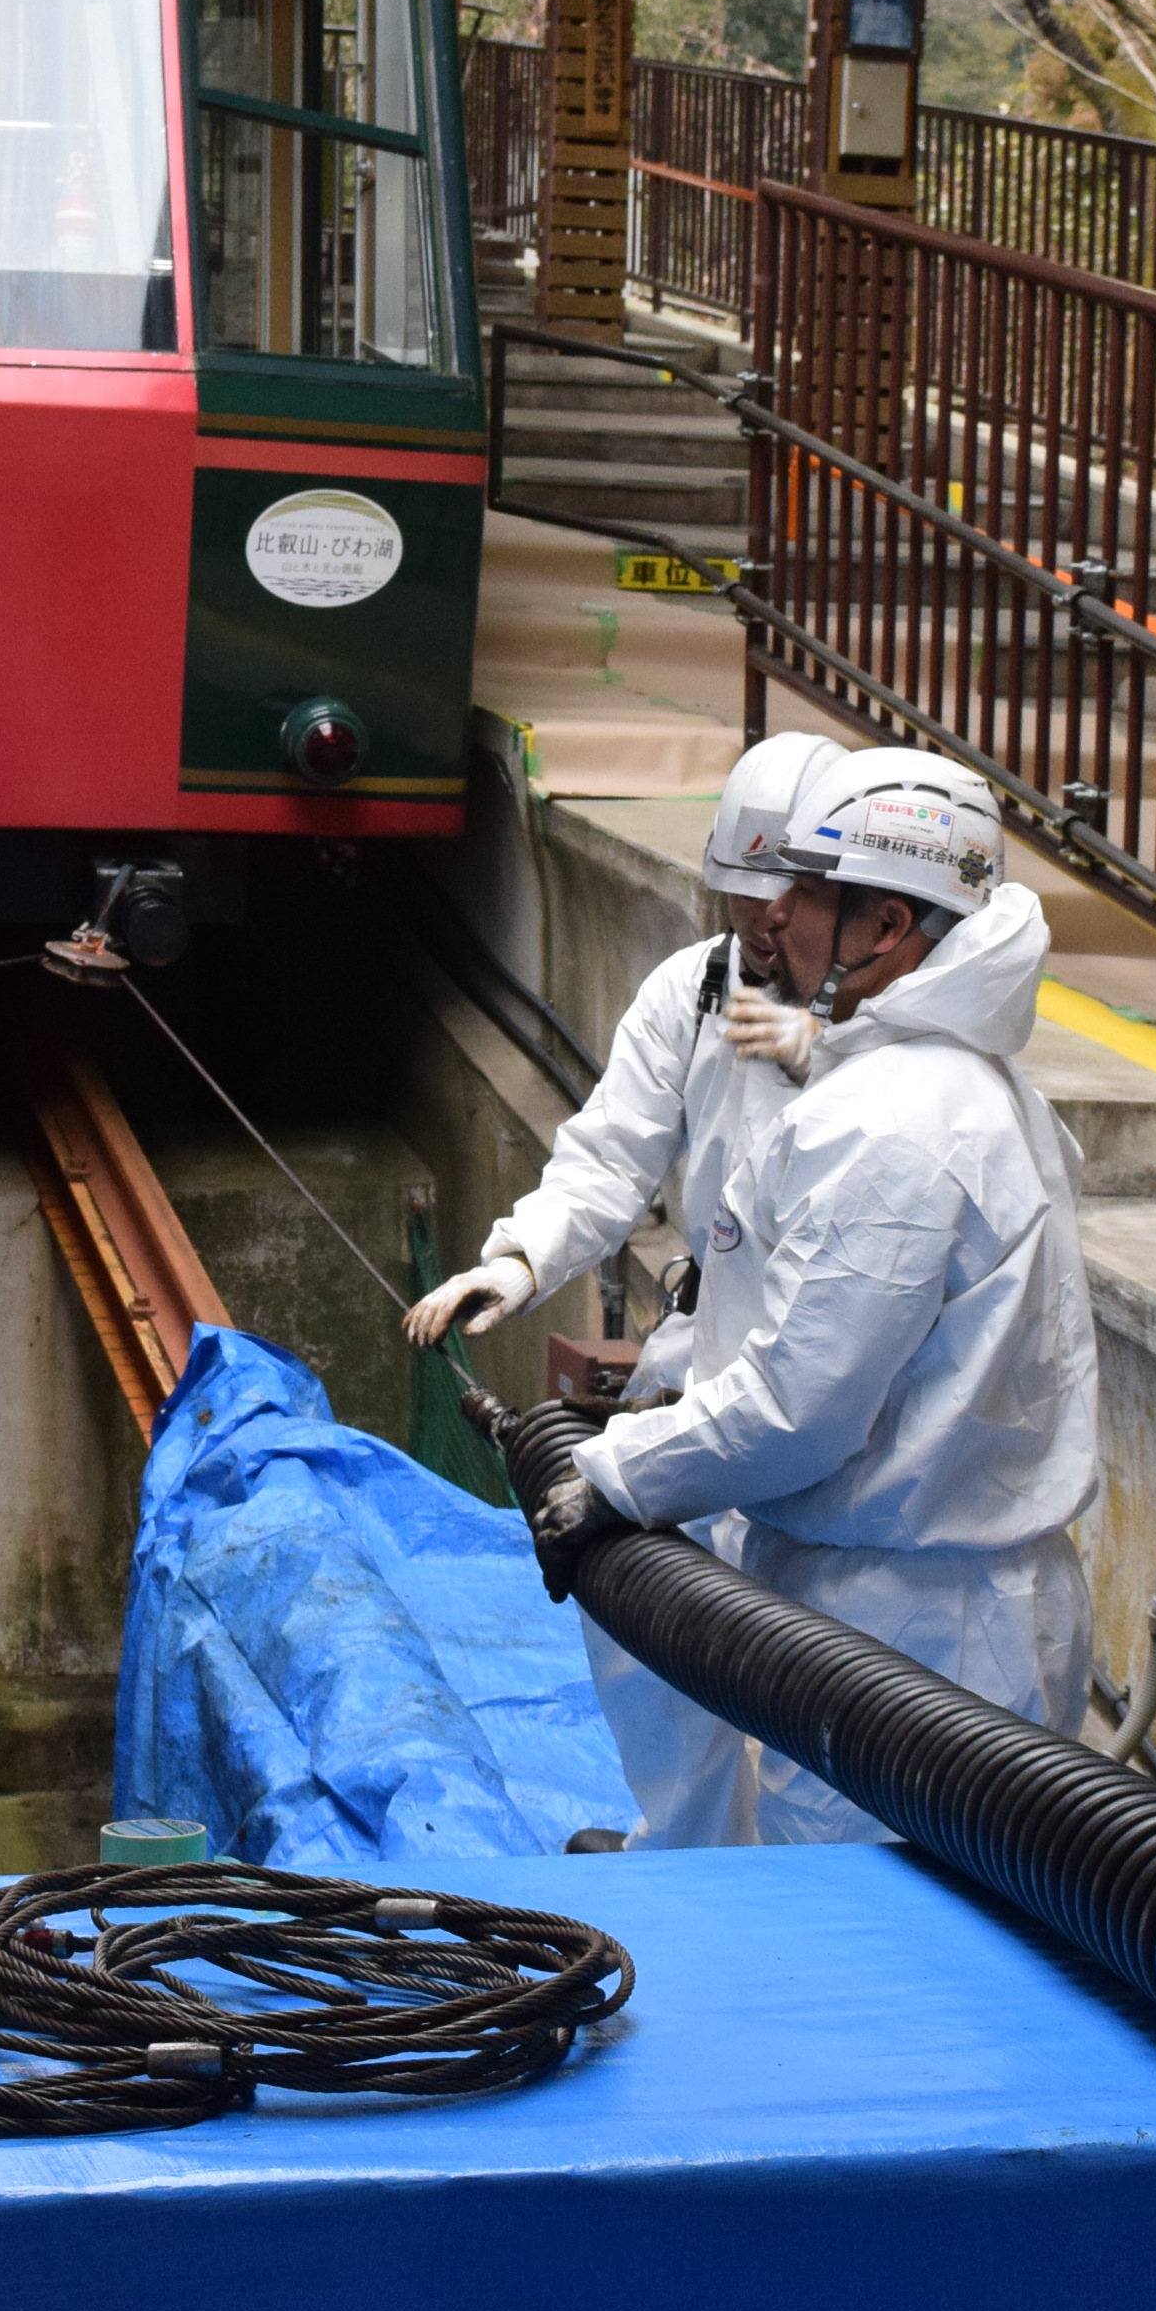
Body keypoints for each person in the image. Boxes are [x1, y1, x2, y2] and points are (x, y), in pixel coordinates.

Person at [528, 747, 1100, 1844]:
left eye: (801, 893)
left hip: (912, 1638)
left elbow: (800, 1407)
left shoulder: (895, 1125)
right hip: (913, 1609)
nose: (769, 917)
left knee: (871, 1969)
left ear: (883, 929)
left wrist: (604, 1475)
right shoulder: (939, 1082)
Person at [406, 727, 837, 1846]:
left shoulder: (894, 1044)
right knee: (642, 1614)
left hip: (833, 1378)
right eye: (736, 893)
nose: (756, 923)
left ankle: (800, 1910)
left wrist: (825, 1049)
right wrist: (517, 1259)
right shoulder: (695, 993)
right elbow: (609, 1155)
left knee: (818, 1688)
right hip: (710, 1350)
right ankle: (687, 1850)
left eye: (781, 897)